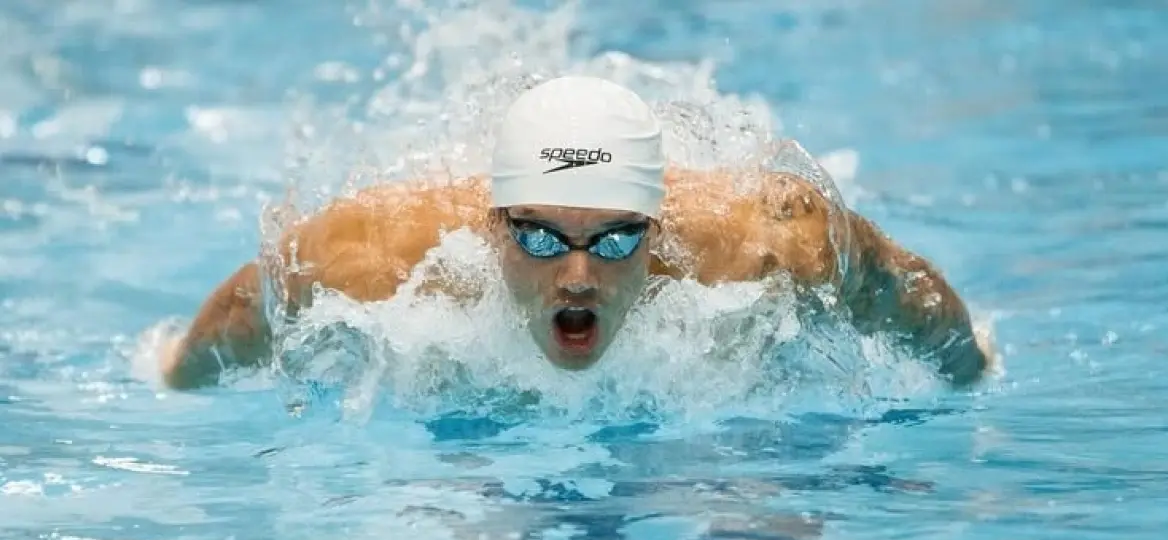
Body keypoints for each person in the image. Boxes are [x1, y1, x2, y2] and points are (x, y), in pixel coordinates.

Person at [158, 76, 994, 391]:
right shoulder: (378, 259)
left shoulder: (769, 242)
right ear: (494, 229)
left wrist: (971, 369)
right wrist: (171, 374)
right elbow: (253, 303)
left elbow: (900, 286)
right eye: (545, 241)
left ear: (658, 230)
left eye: (618, 240)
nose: (581, 276)